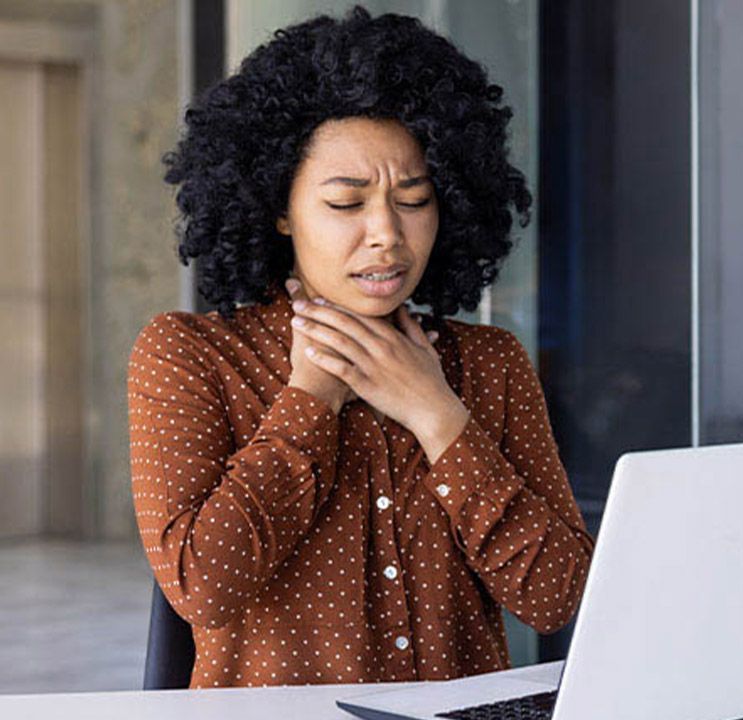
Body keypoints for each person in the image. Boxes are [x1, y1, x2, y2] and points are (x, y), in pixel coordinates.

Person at [127, 6, 594, 688]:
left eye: (414, 198)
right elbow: (203, 584)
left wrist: (439, 417)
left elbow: (559, 598)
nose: (387, 233)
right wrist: (310, 396)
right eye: (347, 204)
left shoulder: (487, 364)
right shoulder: (189, 355)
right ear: (280, 208)